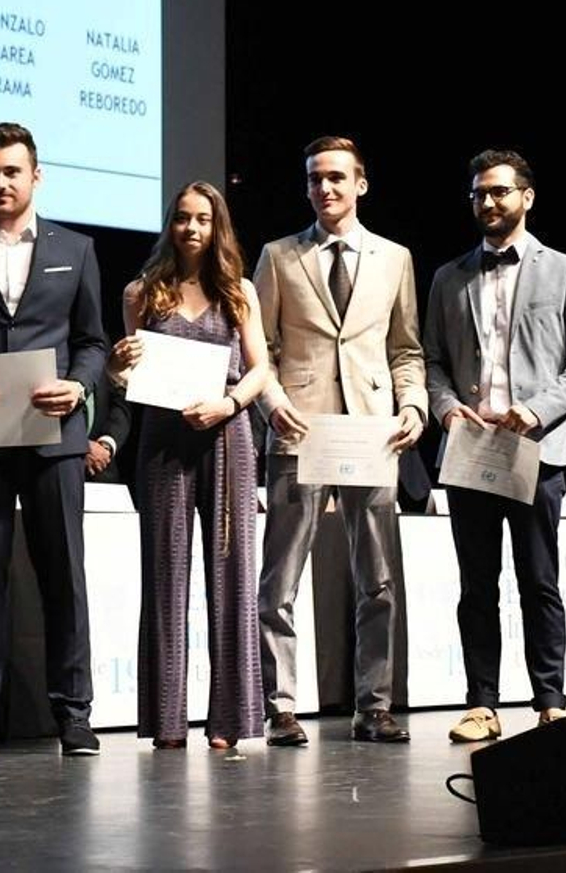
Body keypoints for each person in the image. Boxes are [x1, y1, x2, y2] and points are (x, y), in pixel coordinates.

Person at [0, 122, 107, 758]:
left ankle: (74, 713)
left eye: (12, 171)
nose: (0, 182)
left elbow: (93, 341)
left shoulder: (76, 248)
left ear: (36, 175)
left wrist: (78, 385)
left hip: (53, 434)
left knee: (64, 576)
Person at [423, 149, 566, 742]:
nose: (488, 202)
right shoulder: (449, 277)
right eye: (479, 193)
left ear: (527, 196)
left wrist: (537, 409)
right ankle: (482, 704)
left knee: (539, 581)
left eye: (499, 191)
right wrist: (446, 408)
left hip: (537, 447)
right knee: (476, 585)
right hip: (472, 447)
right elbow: (432, 361)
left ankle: (550, 699)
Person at [254, 135, 428, 744]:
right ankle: (279, 707)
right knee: (280, 579)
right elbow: (259, 350)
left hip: (371, 432)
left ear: (361, 184)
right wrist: (273, 404)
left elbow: (406, 348)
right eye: (314, 179)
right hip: (299, 430)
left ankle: (373, 705)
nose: (324, 188)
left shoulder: (395, 258)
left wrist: (413, 404)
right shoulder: (279, 255)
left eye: (335, 177)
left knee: (377, 577)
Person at [109, 181, 270, 749]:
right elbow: (127, 379)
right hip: (162, 439)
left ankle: (229, 721)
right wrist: (117, 366)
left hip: (227, 436)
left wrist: (229, 403)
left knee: (232, 579)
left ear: (217, 226)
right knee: (165, 575)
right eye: (182, 217)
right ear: (170, 224)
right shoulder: (140, 292)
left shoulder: (238, 291)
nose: (192, 228)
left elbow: (260, 370)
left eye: (203, 219)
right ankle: (167, 721)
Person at [85, 375, 132, 485]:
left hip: (102, 467)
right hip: (56, 467)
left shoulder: (104, 368)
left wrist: (106, 445)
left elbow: (120, 404)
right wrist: (79, 446)